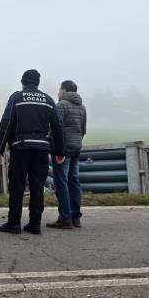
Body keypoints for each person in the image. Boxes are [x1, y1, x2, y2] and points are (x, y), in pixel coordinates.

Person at [0, 69, 64, 235]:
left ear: (23, 82)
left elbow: (6, 122)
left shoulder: (16, 97)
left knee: (17, 186)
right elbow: (57, 127)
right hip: (41, 150)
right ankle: (35, 225)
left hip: (21, 148)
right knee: (37, 187)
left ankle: (14, 224)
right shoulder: (48, 100)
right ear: (38, 83)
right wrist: (60, 151)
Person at [47, 80, 87, 229]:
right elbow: (83, 130)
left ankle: (65, 218)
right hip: (77, 147)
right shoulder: (82, 107)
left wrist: (58, 149)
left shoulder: (61, 105)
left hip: (63, 149)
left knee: (61, 182)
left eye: (59, 89)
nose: (58, 92)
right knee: (74, 181)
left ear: (64, 90)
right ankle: (75, 217)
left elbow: (55, 128)